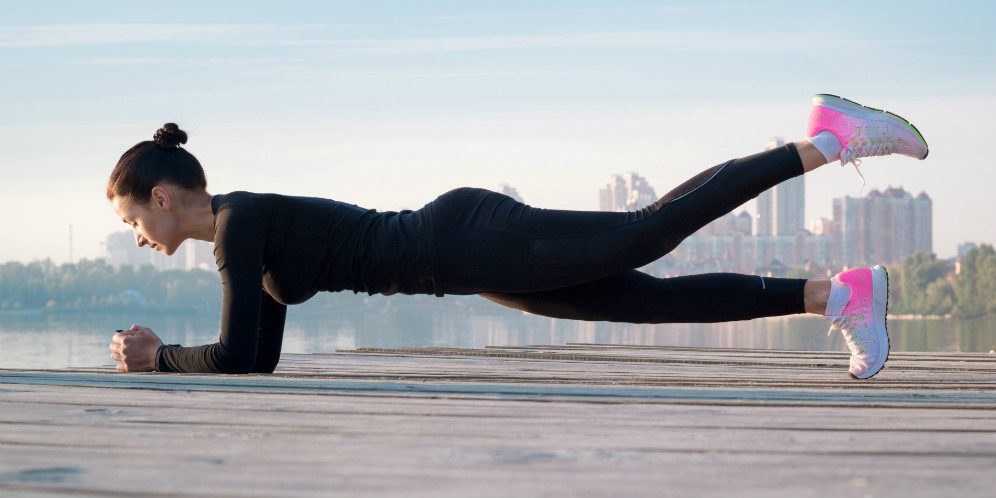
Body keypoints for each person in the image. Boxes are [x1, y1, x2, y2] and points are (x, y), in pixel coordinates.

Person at [107, 94, 929, 379]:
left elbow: (228, 356)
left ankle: (827, 139)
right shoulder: (246, 234)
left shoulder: (240, 225)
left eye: (133, 218)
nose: (138, 235)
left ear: (167, 196)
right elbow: (255, 359)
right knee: (644, 300)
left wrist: (157, 358)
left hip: (464, 241)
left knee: (648, 232)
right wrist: (173, 357)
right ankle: (835, 295)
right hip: (466, 266)